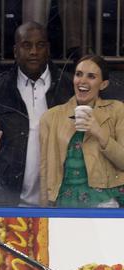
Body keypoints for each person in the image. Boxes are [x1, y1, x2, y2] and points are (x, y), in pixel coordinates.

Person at [0, 21, 72, 207]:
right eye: (27, 45)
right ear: (15, 50)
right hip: (8, 204)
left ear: (48, 49)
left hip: (58, 206)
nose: (34, 51)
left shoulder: (68, 91)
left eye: (40, 45)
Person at [40, 55, 124, 207]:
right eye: (78, 74)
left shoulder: (118, 110)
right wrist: (44, 210)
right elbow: (45, 169)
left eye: (91, 76)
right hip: (66, 202)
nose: (82, 81)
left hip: (106, 201)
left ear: (103, 84)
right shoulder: (51, 117)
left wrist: (98, 131)